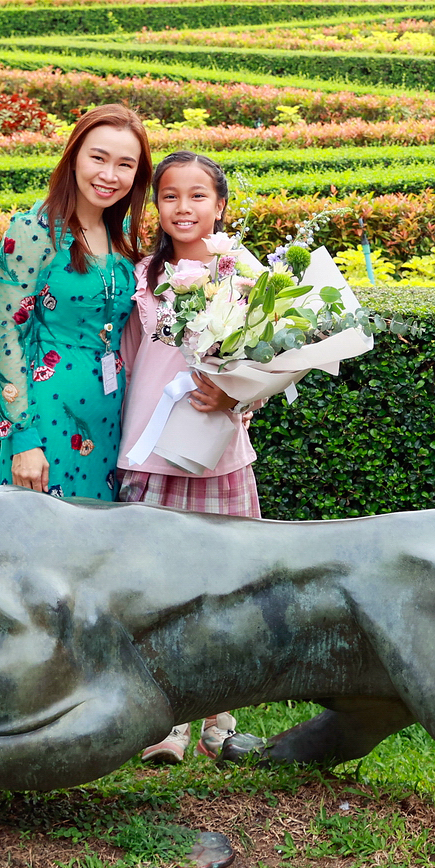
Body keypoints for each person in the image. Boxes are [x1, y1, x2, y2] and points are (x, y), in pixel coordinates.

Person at [117, 151, 260, 764]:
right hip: (150, 451)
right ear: (156, 205)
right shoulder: (140, 274)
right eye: (170, 196)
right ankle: (166, 719)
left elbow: (270, 357)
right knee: (153, 587)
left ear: (220, 205)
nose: (184, 208)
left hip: (215, 452)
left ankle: (219, 718)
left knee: (221, 585)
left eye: (197, 196)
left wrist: (236, 395)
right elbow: (125, 356)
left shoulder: (244, 272)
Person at [0, 104, 151, 499]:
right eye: (98, 157)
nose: (109, 175)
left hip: (112, 413)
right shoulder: (33, 231)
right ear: (74, 155)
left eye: (125, 165)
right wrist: (23, 436)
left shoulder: (125, 233)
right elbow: (9, 334)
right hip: (48, 414)